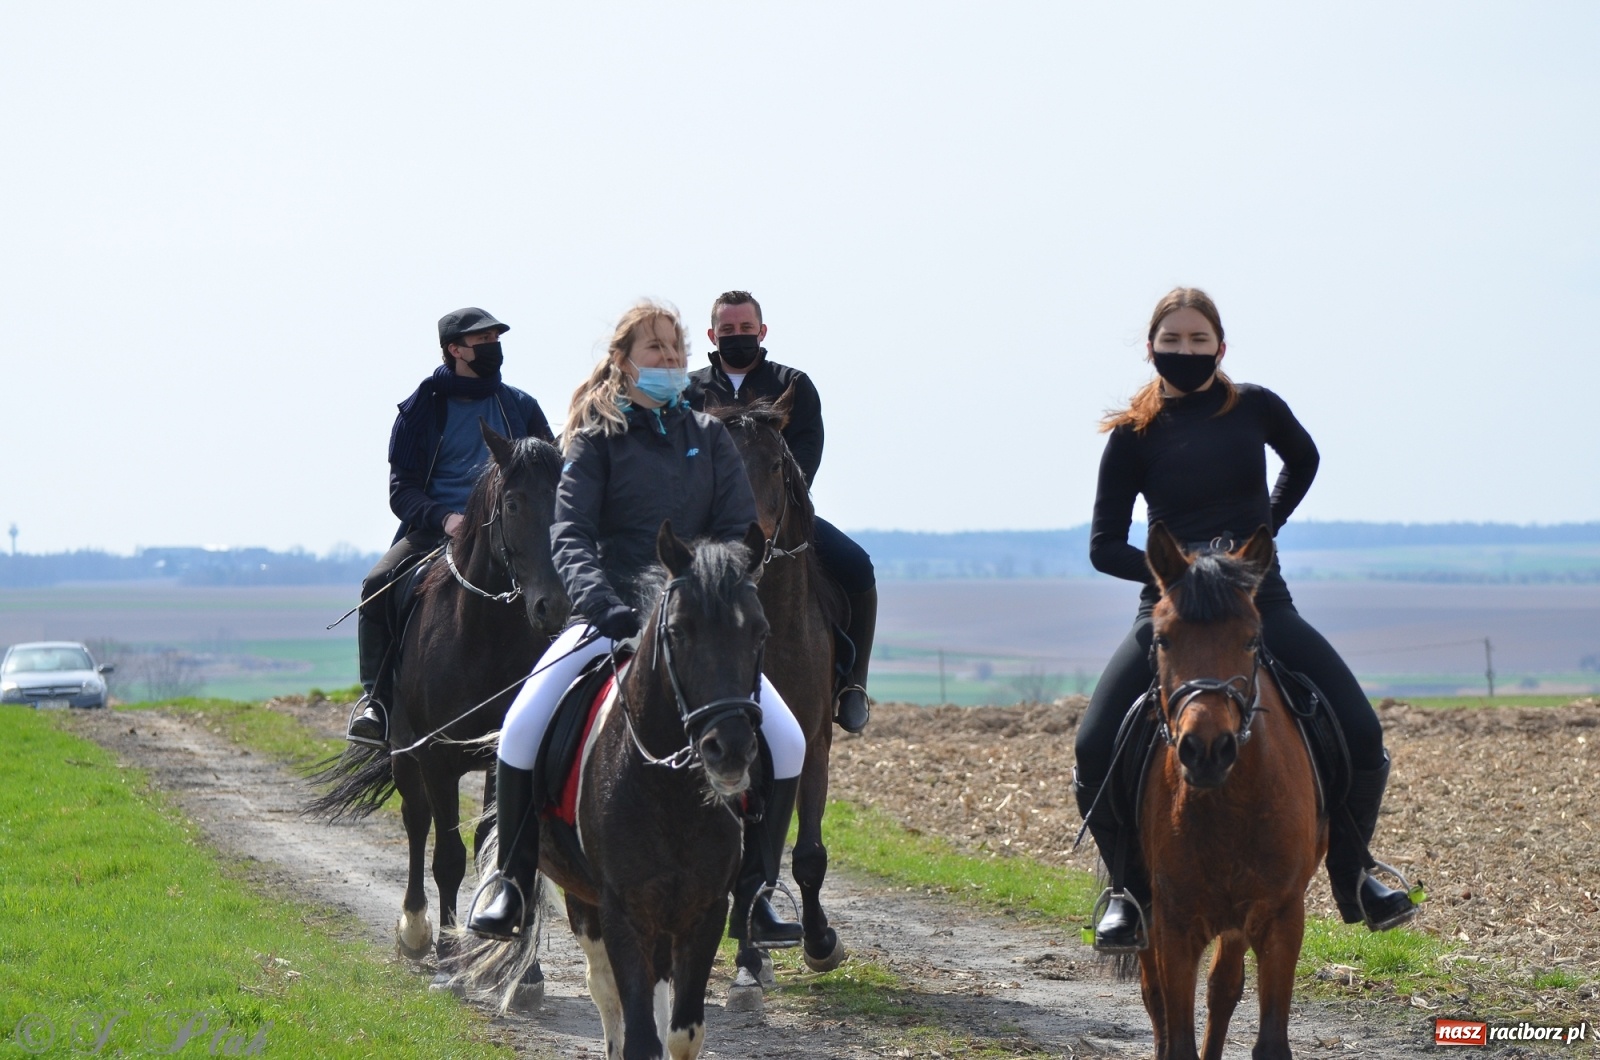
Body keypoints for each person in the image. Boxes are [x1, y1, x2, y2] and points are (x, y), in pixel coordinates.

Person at [1075, 286, 1417, 950]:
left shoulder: (1255, 408)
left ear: (1221, 347)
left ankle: (1355, 877)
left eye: (1198, 340)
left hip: (1263, 607)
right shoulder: (1131, 437)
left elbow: (1306, 459)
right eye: (1171, 341)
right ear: (1151, 349)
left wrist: (1257, 544)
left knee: (1363, 735)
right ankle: (1128, 894)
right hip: (1169, 615)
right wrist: (1183, 576)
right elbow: (1102, 546)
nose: (1185, 351)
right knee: (1092, 747)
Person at [468, 301, 807, 946]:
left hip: (696, 625)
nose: (670, 363)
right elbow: (569, 536)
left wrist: (716, 591)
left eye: (677, 353)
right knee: (520, 726)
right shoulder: (596, 443)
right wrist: (601, 602)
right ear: (623, 363)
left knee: (787, 743)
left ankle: (760, 890)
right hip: (612, 614)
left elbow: (738, 531)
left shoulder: (710, 440)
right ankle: (509, 881)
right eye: (656, 351)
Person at [347, 308, 554, 747]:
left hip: (509, 531)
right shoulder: (419, 411)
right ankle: (377, 702)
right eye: (483, 341)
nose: (493, 348)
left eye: (497, 339)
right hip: (436, 531)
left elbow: (548, 474)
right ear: (455, 350)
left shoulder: (521, 407)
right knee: (377, 583)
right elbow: (400, 491)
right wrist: (447, 518)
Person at [684, 290, 877, 734]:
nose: (737, 337)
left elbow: (806, 455)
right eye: (728, 331)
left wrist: (775, 508)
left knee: (857, 566)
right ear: (713, 335)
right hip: (708, 525)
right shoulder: (689, 392)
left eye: (745, 329)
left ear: (762, 331)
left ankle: (851, 685)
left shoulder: (795, 385)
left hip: (784, 520)